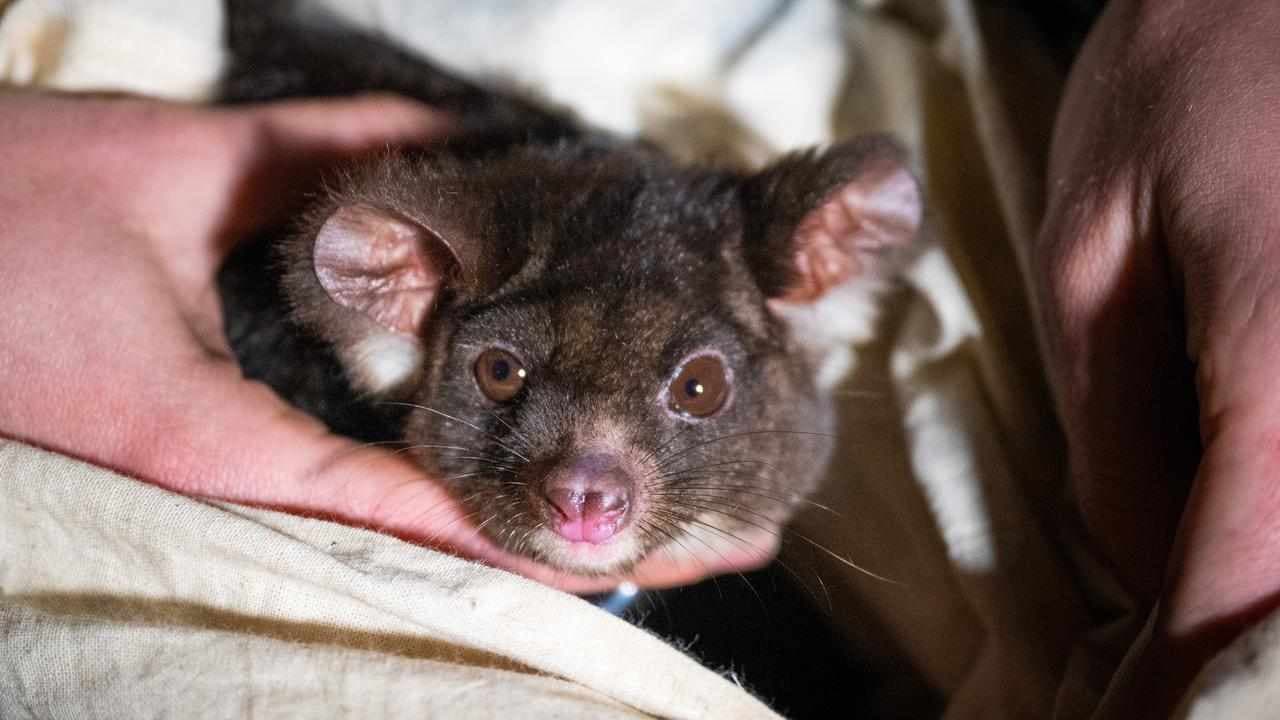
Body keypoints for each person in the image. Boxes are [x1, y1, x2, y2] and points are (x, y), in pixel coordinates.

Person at [1, 0, 1277, 715]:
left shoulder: (766, 293)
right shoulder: (386, 292)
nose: (586, 482)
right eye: (507, 376)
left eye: (695, 387)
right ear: (411, 311)